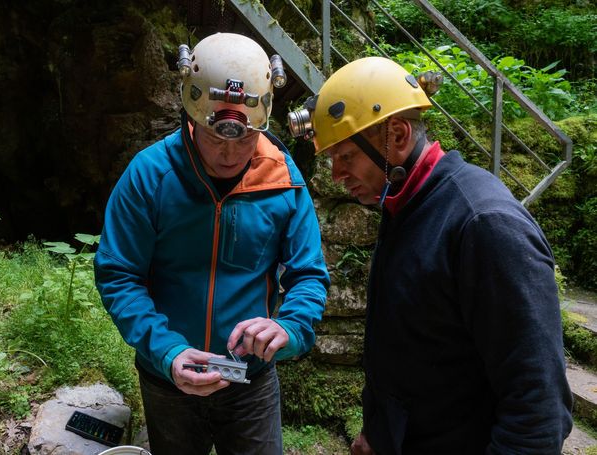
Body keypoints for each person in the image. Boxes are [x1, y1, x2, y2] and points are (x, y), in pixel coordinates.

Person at [288, 56, 573, 454]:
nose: (336, 173)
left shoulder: (484, 224)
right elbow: (418, 341)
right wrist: (379, 433)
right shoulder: (407, 204)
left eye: (346, 156)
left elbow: (538, 411)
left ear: (398, 135)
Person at [94, 32, 329, 455]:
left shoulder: (283, 181)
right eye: (215, 136)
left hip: (251, 383)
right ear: (191, 116)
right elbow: (119, 274)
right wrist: (166, 351)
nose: (229, 152)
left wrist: (289, 328)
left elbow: (308, 274)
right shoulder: (150, 176)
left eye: (243, 138)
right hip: (168, 378)